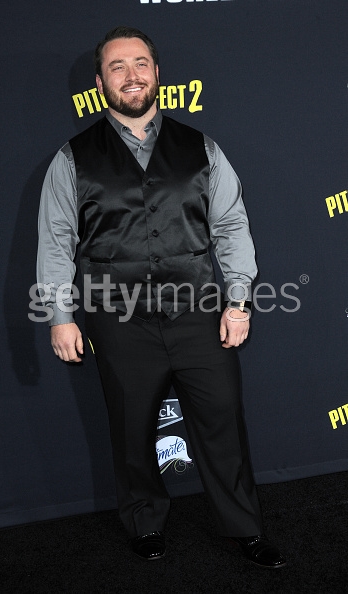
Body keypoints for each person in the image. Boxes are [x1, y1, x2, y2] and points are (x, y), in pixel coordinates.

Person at [37, 26, 286, 568]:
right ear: (100, 80)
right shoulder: (71, 158)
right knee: (130, 429)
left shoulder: (203, 148)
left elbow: (231, 227)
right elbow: (56, 242)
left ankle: (244, 527)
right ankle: (144, 522)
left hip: (199, 314)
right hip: (116, 320)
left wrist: (238, 301)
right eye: (118, 66)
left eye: (140, 63)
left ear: (156, 73)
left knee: (223, 422)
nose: (132, 75)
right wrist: (60, 315)